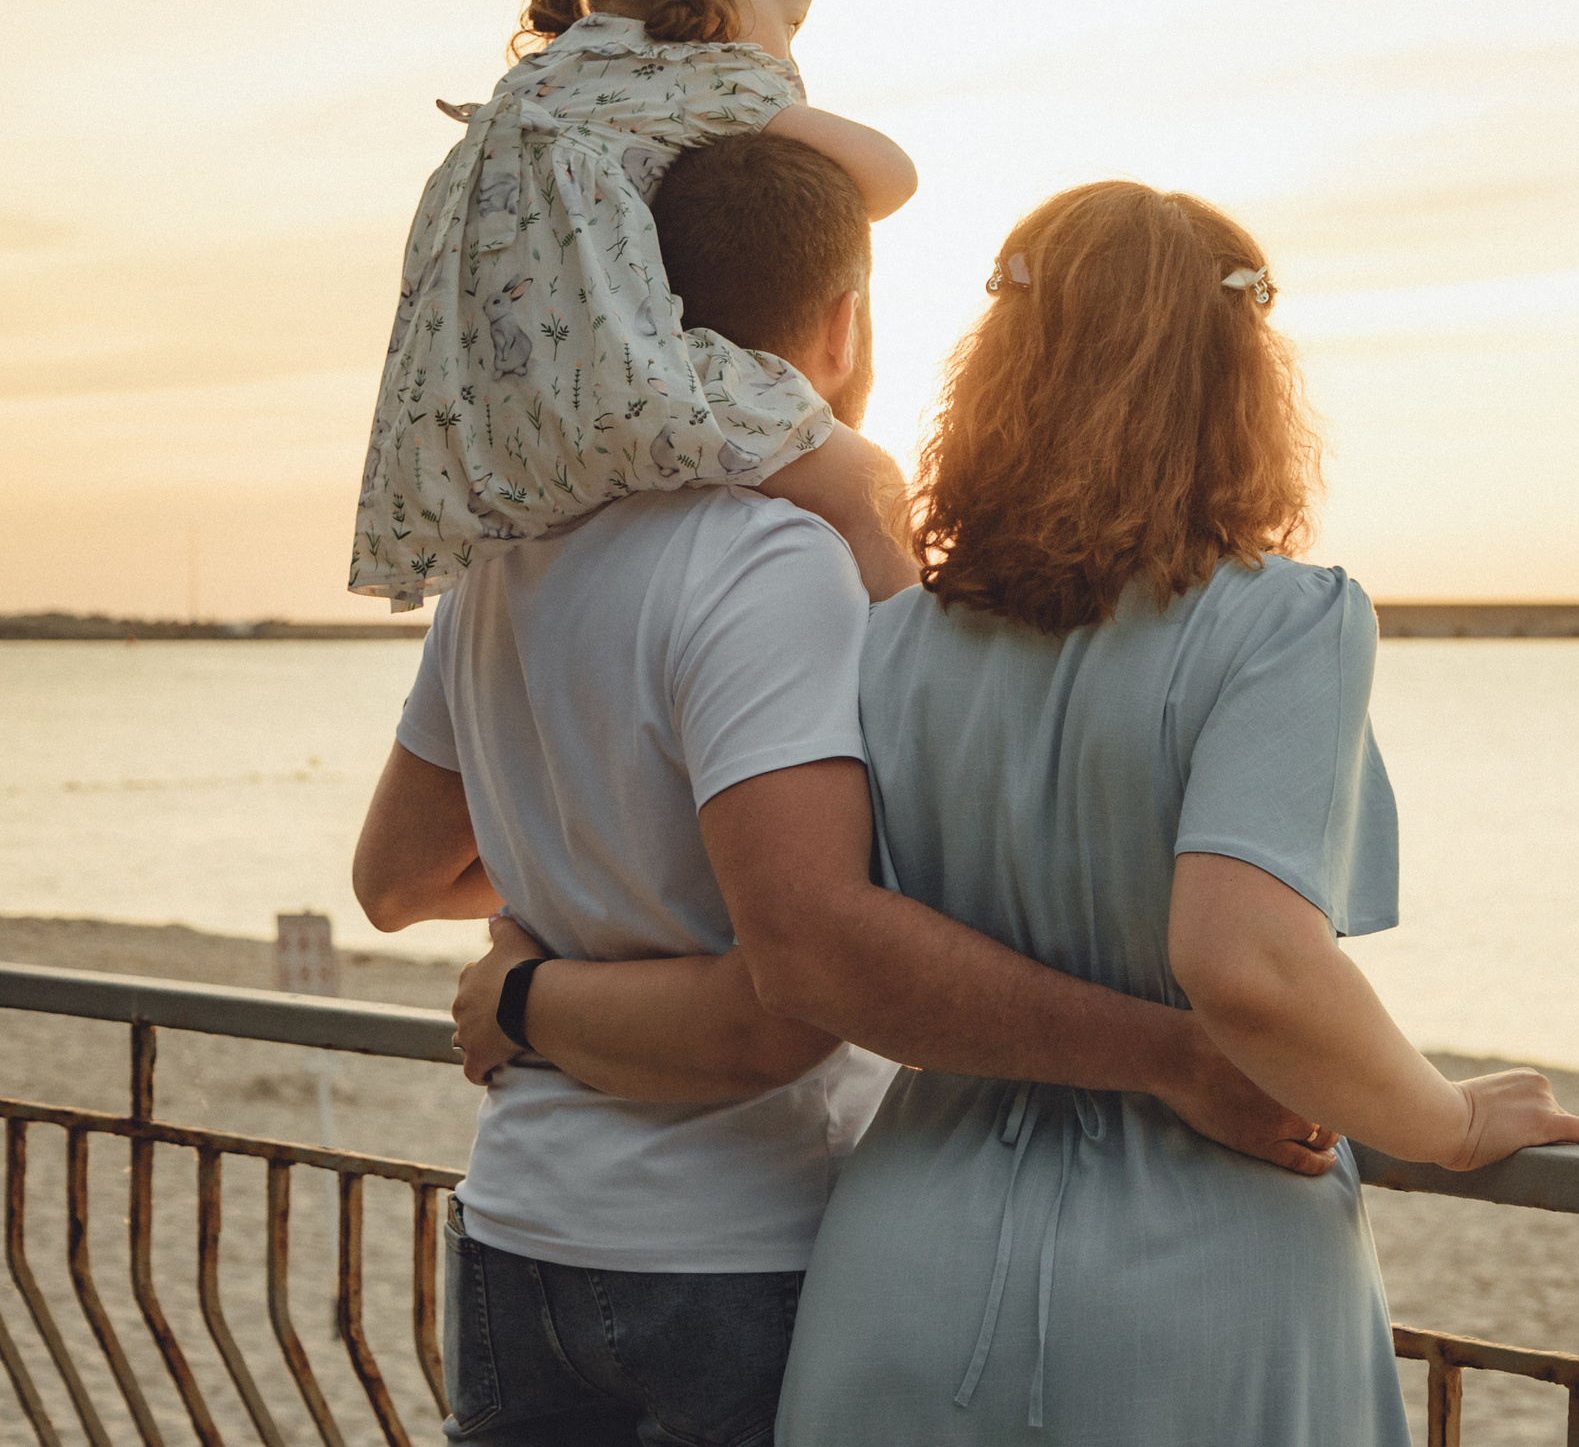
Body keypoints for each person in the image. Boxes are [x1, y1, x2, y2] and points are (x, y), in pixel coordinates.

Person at [482, 180, 1579, 1445]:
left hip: (904, 1261)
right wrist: (1449, 1119)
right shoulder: (1287, 623)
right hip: (1194, 1267)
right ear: (1241, 382)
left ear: (1001, 373)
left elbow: (825, 944)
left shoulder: (892, 638)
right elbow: (1249, 964)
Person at [355, 137, 1334, 1447]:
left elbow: (399, 877)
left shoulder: (509, 558)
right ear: (843, 322)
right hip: (729, 1244)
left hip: (518, 1229)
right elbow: (794, 991)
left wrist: (545, 956)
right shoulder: (775, 560)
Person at [352, 0, 918, 612]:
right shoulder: (705, 73)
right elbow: (892, 178)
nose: (788, 52)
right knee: (869, 484)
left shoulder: (534, 88)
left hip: (490, 429)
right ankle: (911, 663)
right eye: (791, 23)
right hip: (622, 391)